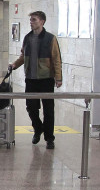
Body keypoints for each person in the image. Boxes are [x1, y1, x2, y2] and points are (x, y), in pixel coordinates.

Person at [9, 11, 62, 150]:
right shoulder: (27, 38)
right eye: (30, 20)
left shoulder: (50, 39)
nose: (31, 22)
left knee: (48, 110)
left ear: (42, 21)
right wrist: (14, 64)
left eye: (34, 20)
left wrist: (58, 77)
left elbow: (56, 59)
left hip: (46, 79)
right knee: (31, 108)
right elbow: (23, 56)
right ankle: (38, 128)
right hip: (31, 79)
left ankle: (49, 138)